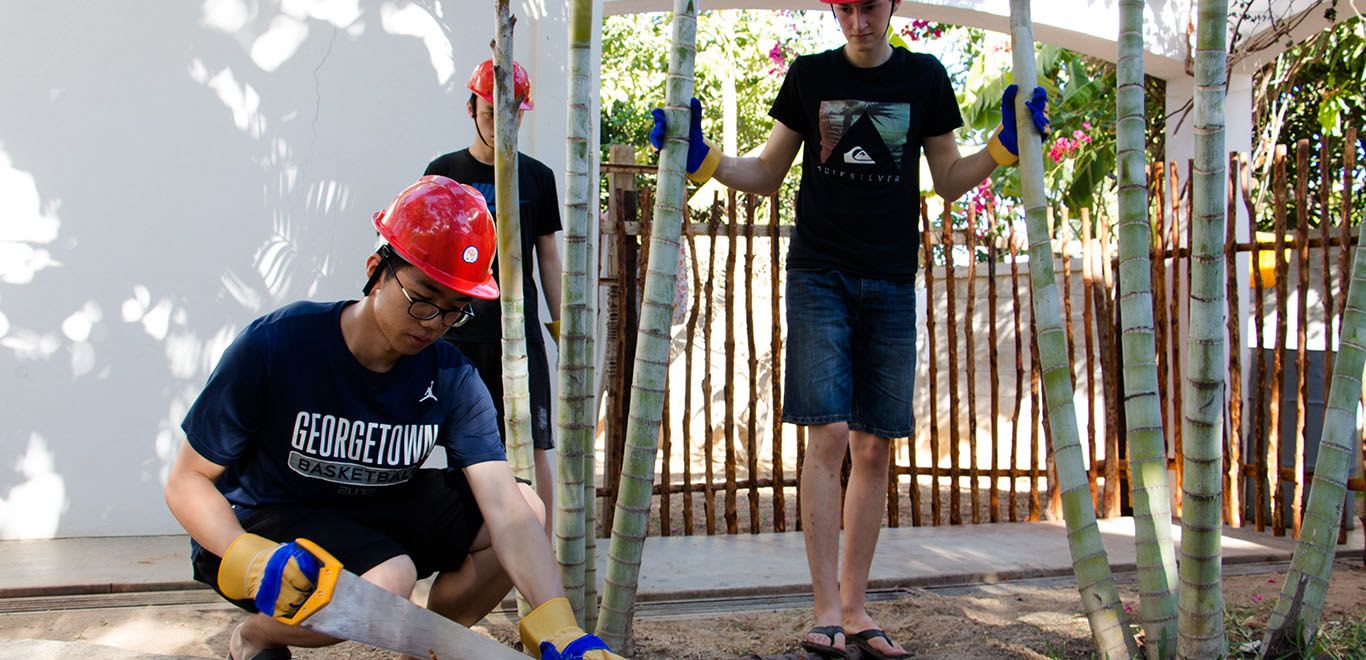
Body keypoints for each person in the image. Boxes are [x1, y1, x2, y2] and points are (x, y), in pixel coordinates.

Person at [649, 0, 1049, 657]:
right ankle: (825, 609)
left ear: (890, 6)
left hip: (891, 278)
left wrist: (1004, 147)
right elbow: (766, 173)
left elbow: (948, 179)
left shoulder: (924, 76)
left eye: (868, 6)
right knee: (827, 432)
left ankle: (858, 610)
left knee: (873, 444)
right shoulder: (808, 75)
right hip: (820, 274)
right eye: (844, 7)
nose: (857, 20)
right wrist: (701, 157)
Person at [163, 175, 619, 660]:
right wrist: (250, 558)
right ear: (376, 271)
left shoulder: (451, 377)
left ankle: (426, 650)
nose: (433, 323)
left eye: (453, 310)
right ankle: (256, 636)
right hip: (266, 522)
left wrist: (559, 625)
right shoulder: (278, 344)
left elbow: (504, 508)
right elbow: (186, 480)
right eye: (422, 298)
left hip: (374, 507)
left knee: (526, 505)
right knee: (389, 578)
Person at [425, 58, 562, 530]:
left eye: (512, 114)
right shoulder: (442, 172)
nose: (500, 123)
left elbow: (547, 256)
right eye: (489, 113)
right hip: (457, 332)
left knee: (535, 442)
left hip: (519, 333)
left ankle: (540, 548)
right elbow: (425, 252)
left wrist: (562, 325)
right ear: (471, 109)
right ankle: (470, 544)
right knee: (461, 447)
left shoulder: (538, 176)